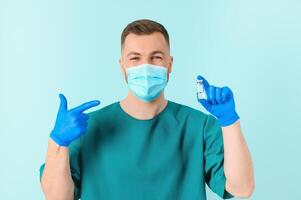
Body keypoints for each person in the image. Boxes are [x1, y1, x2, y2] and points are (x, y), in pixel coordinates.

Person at [39, 19, 254, 200]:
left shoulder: (199, 126)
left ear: (170, 64)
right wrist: (57, 142)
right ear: (122, 65)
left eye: (156, 57)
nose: (146, 66)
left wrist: (229, 121)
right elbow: (58, 197)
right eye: (135, 58)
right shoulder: (86, 128)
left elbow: (242, 188)